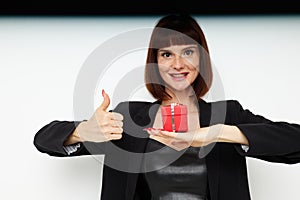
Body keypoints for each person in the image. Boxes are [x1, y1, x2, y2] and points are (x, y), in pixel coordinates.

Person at [33, 14, 300, 200]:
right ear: (155, 62)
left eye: (188, 52)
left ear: (202, 59)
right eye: (166, 54)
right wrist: (82, 131)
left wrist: (219, 132)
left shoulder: (228, 114)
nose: (177, 63)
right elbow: (43, 139)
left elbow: (295, 142)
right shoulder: (129, 117)